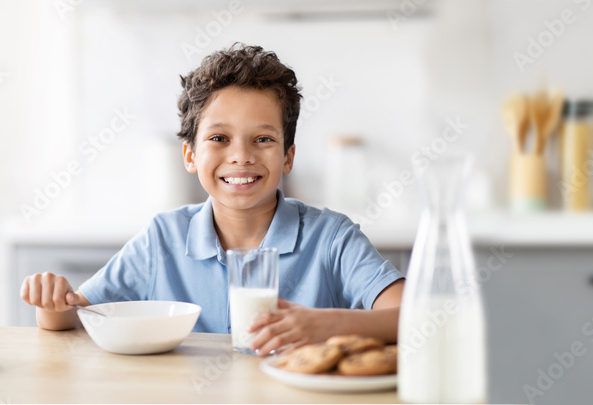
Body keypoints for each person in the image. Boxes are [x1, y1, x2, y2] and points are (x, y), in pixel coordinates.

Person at [20, 43, 404, 356]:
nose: (241, 156)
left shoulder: (331, 238)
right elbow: (76, 316)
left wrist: (330, 324)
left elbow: (415, 316)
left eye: (264, 139)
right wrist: (51, 305)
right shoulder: (163, 239)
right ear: (190, 155)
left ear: (288, 156)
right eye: (219, 139)